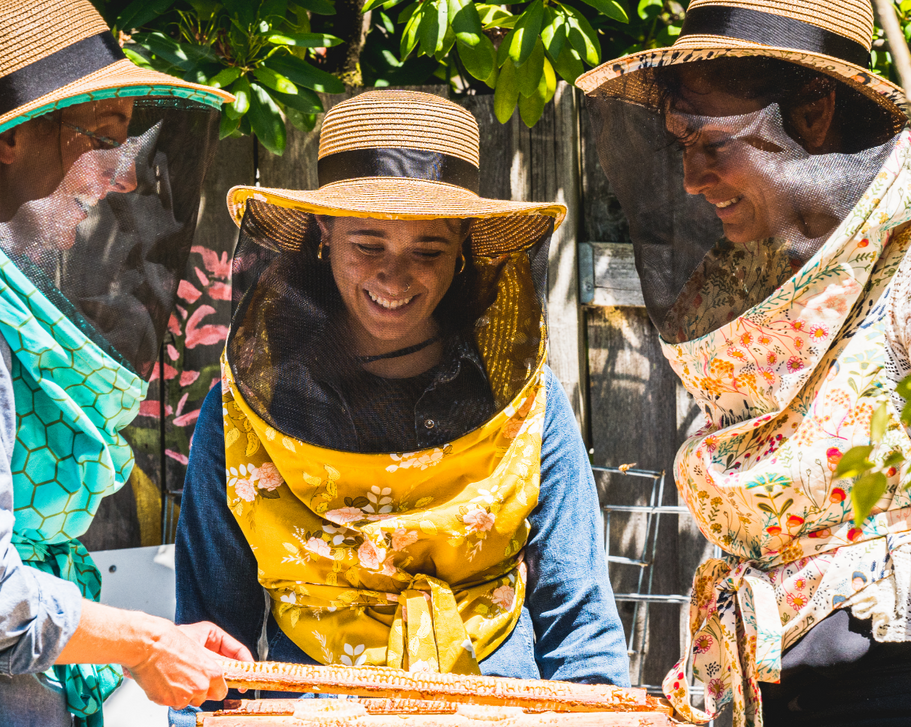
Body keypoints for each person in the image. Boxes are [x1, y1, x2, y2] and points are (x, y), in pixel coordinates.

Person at [172, 90, 630, 722]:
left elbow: (581, 632)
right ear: (324, 233)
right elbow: (206, 648)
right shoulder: (243, 414)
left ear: (465, 246)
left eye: (428, 251)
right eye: (369, 244)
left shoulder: (525, 404)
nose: (395, 276)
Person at [0, 1, 253, 724]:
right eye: (103, 140)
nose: (122, 177)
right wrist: (147, 643)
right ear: (11, 139)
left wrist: (150, 643)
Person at [576, 0, 911, 725]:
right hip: (760, 670)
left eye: (712, 141)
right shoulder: (737, 277)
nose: (691, 178)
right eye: (679, 145)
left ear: (814, 111)